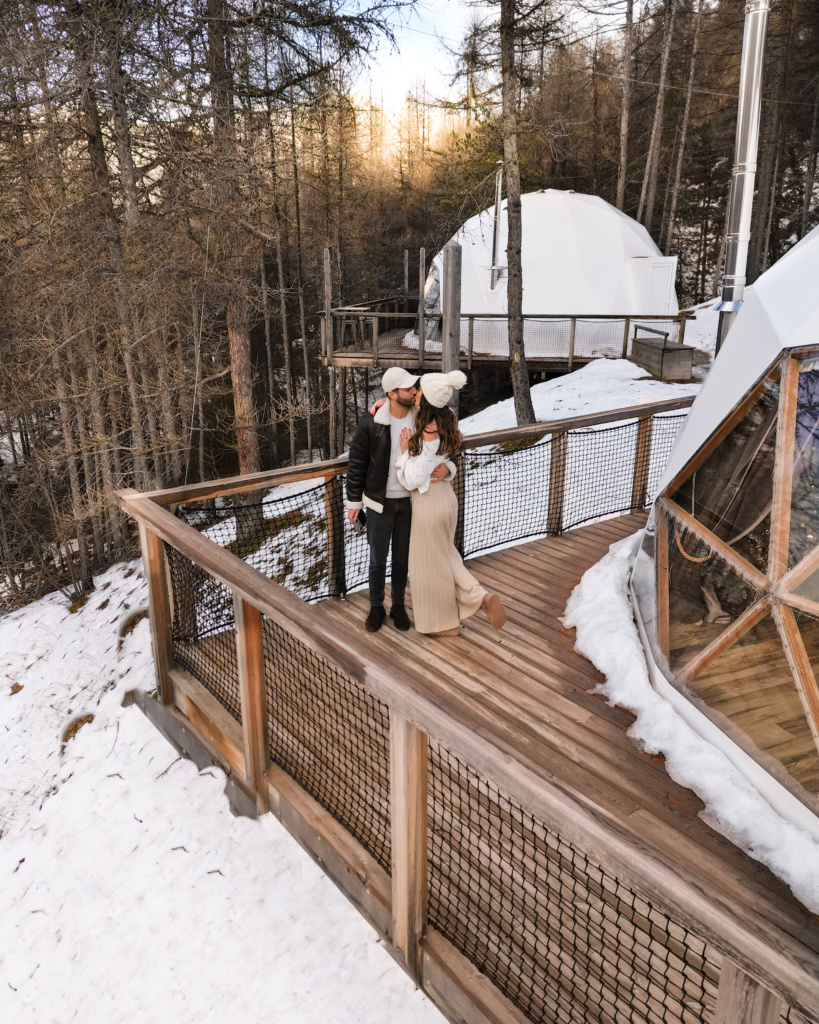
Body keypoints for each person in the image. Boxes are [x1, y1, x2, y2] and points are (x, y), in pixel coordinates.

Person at [395, 371, 507, 637]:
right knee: (447, 557)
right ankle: (479, 597)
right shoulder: (446, 419)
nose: (415, 393)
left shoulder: (428, 432)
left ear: (429, 398)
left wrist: (403, 454)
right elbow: (446, 458)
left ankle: (443, 624)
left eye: (419, 390)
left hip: (428, 504)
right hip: (446, 498)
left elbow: (413, 479)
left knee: (425, 567)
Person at [346, 367, 454, 632]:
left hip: (411, 501)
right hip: (378, 502)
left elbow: (446, 440)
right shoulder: (370, 422)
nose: (415, 391)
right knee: (377, 559)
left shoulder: (422, 417)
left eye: (414, 388)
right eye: (408, 389)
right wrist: (354, 503)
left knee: (402, 559)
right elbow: (357, 464)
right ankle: (375, 607)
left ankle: (398, 607)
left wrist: (450, 469)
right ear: (392, 394)